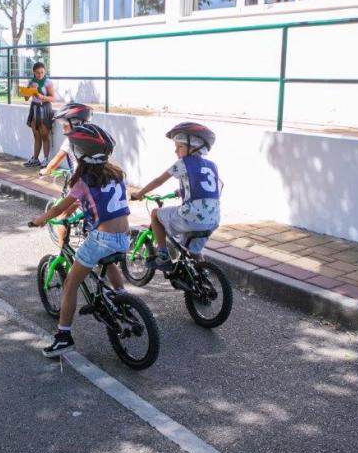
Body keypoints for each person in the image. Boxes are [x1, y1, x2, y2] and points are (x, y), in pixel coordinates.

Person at [30, 123, 130, 357]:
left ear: (80, 153)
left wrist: (40, 219)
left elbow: (59, 209)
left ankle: (63, 337)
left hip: (102, 238)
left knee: (70, 285)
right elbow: (100, 203)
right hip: (124, 237)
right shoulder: (117, 175)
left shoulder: (82, 182)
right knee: (108, 261)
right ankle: (122, 298)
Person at [130, 122, 221, 271]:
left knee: (155, 215)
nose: (176, 151)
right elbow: (208, 188)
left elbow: (158, 181)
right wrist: (182, 192)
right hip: (213, 219)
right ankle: (202, 279)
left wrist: (139, 194)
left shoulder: (183, 163)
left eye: (180, 146)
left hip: (192, 216)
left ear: (194, 147)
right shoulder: (212, 165)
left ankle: (163, 255)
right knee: (192, 252)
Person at [38, 102, 92, 245]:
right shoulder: (93, 136)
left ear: (75, 123)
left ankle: (63, 252)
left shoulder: (71, 140)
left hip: (82, 184)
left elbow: (56, 160)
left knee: (62, 216)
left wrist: (47, 170)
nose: (63, 126)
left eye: (65, 123)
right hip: (97, 182)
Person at [23, 61, 54, 168]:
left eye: (42, 72)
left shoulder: (48, 82)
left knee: (45, 135)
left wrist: (43, 97)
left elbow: (52, 98)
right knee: (36, 135)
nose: (40, 75)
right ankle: (35, 159)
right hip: (34, 108)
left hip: (44, 108)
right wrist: (28, 91)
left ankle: (46, 159)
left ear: (44, 71)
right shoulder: (31, 82)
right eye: (37, 73)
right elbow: (26, 98)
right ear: (34, 72)